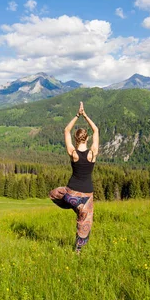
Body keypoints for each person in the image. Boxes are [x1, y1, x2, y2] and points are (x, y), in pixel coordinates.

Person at [49, 101, 99, 253]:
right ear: (87, 138)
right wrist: (85, 115)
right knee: (84, 222)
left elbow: (66, 130)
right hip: (86, 197)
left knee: (54, 193)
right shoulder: (92, 153)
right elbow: (96, 130)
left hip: (71, 195)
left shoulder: (73, 153)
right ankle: (77, 250)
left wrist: (77, 115)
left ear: (76, 139)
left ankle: (73, 205)